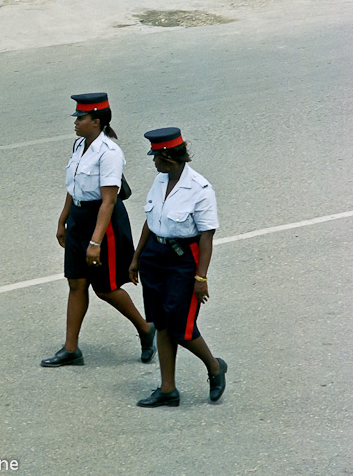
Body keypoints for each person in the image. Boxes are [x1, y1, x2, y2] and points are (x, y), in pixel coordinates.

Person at [41, 93, 156, 368]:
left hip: (103, 225)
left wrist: (96, 241)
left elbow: (109, 200)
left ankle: (145, 328)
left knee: (105, 288)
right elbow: (74, 187)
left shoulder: (109, 153)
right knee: (76, 282)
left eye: (81, 118)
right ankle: (71, 349)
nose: (76, 122)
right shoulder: (79, 145)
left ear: (97, 121)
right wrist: (62, 220)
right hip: (79, 219)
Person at [129, 127, 227, 407]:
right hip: (154, 257)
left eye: (155, 157)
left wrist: (201, 277)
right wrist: (137, 257)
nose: (153, 162)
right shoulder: (160, 182)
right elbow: (152, 220)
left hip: (183, 261)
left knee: (180, 327)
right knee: (161, 323)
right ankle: (168, 389)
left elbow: (207, 237)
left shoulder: (200, 189)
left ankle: (215, 367)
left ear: (168, 157)